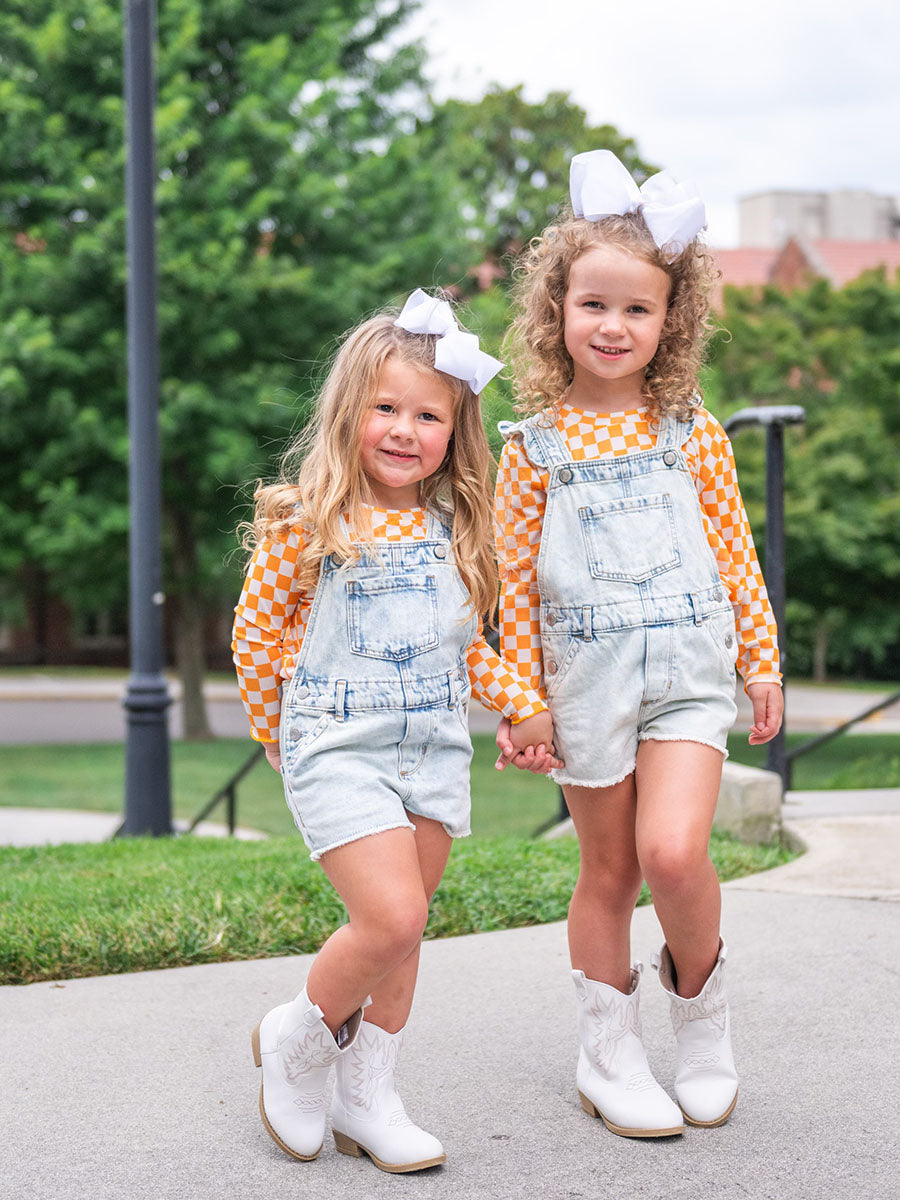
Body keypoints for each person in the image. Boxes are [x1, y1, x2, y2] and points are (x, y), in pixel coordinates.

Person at [232, 289, 560, 1174]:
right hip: (336, 746)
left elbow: (465, 646)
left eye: (428, 416)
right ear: (349, 410)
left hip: (433, 752)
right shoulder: (308, 522)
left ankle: (367, 1097)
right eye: (385, 408)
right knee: (391, 916)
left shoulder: (454, 527)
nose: (404, 430)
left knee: (405, 936)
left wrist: (520, 701)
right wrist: (276, 735)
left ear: (455, 431)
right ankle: (298, 1040)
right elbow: (254, 637)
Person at [494, 150, 783, 1138]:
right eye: (594, 305)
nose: (613, 326)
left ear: (671, 321)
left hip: (690, 672)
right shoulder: (530, 450)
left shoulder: (693, 432)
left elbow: (735, 551)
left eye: (637, 309)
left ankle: (701, 1018)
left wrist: (761, 659)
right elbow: (511, 587)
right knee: (611, 872)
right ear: (558, 311)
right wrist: (521, 698)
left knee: (673, 850)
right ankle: (608, 1053)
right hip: (585, 683)